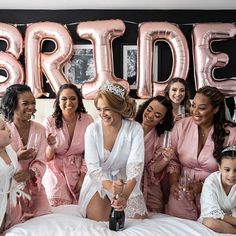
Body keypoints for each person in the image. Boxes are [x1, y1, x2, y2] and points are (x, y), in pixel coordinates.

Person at [79, 82, 148, 221]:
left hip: (126, 181)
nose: (102, 114)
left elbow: (135, 166)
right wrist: (110, 186)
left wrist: (124, 196)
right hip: (99, 181)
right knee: (104, 221)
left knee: (135, 221)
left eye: (107, 109)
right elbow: (93, 168)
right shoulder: (92, 130)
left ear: (118, 108)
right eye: (99, 109)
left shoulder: (135, 129)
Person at [166, 86, 236, 220]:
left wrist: (204, 186)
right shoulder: (181, 126)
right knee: (176, 228)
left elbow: (233, 169)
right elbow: (172, 159)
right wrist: (174, 183)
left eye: (202, 108)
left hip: (215, 194)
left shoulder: (231, 133)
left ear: (216, 109)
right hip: (182, 192)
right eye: (193, 105)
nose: (195, 112)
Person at [0, 84, 51, 229]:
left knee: (45, 221)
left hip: (34, 189)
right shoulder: (3, 130)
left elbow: (41, 160)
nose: (31, 107)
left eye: (33, 103)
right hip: (9, 189)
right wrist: (17, 157)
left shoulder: (40, 130)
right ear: (13, 104)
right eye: (25, 103)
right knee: (12, 224)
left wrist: (30, 173)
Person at [44, 83, 93, 206]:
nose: (68, 103)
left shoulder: (88, 120)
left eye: (73, 98)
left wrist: (82, 178)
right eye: (64, 99)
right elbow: (47, 158)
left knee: (84, 204)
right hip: (56, 170)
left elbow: (90, 153)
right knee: (58, 206)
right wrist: (50, 146)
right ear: (58, 102)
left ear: (78, 100)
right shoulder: (50, 121)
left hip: (81, 169)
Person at [135, 96, 173, 213]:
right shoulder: (129, 126)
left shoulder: (160, 138)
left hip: (149, 183)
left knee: (156, 210)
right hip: (126, 178)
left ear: (162, 120)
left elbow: (154, 168)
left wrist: (165, 160)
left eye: (157, 115)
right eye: (149, 109)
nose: (150, 115)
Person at [199, 146, 236, 234]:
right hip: (217, 221)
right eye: (227, 170)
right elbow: (213, 213)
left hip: (234, 217)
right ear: (219, 167)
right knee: (209, 222)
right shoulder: (211, 182)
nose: (231, 175)